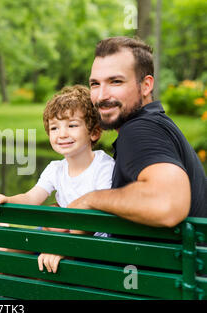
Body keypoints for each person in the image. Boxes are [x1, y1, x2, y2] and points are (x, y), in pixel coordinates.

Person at [69, 36, 206, 225]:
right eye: (95, 84)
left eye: (115, 81)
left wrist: (91, 199)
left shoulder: (139, 130)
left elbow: (167, 203)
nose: (101, 96)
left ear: (146, 85)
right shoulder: (156, 124)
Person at [0, 85, 115, 273]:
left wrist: (61, 248)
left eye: (72, 125)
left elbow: (96, 218)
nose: (62, 134)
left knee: (45, 269)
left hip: (93, 247)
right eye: (54, 128)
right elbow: (30, 199)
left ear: (94, 132)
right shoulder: (56, 169)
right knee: (3, 253)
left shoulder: (103, 167)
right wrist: (5, 199)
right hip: (62, 237)